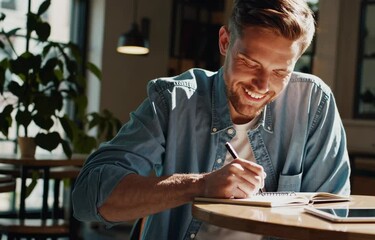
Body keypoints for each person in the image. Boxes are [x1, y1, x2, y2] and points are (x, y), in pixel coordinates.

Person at [72, 0, 351, 239]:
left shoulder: (314, 103)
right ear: (225, 41)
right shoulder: (174, 101)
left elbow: (331, 216)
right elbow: (88, 198)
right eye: (250, 63)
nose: (261, 85)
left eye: (280, 71)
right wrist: (200, 186)